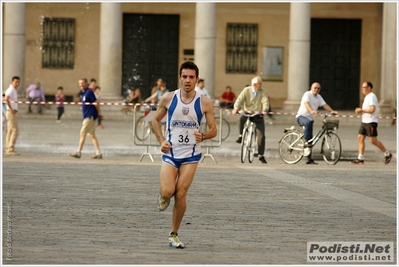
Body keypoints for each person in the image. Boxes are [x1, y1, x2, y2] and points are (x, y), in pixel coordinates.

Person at [152, 61, 217, 249]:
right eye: (184, 76)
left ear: (197, 79)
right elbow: (155, 121)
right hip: (171, 153)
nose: (188, 80)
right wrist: (161, 141)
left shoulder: (204, 102)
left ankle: (173, 234)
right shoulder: (168, 98)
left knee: (181, 193)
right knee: (168, 191)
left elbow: (214, 130)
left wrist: (203, 135)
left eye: (191, 77)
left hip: (191, 155)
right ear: (180, 78)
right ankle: (163, 196)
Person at [350, 81, 393, 165]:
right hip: (364, 121)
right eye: (362, 87)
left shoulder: (372, 96)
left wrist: (361, 110)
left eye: (364, 87)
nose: (362, 89)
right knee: (360, 137)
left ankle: (387, 154)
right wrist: (361, 111)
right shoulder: (367, 97)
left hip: (371, 122)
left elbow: (372, 109)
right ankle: (360, 158)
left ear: (369, 88)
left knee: (373, 140)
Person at [296, 82, 337, 164]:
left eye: (318, 88)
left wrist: (332, 111)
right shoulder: (307, 94)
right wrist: (311, 110)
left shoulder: (319, 97)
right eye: (315, 88)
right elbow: (306, 103)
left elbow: (324, 105)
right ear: (311, 88)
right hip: (301, 117)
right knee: (308, 129)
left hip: (310, 119)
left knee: (311, 138)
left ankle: (309, 158)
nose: (316, 90)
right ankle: (306, 143)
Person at [232, 76, 269, 164]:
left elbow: (265, 101)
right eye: (260, 84)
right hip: (247, 112)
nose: (261, 85)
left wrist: (264, 110)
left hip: (258, 114)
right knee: (241, 118)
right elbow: (239, 99)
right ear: (254, 85)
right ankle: (241, 135)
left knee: (261, 135)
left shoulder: (263, 91)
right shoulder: (246, 90)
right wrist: (236, 108)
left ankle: (261, 154)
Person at [69, 78, 104, 159]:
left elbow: (96, 103)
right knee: (91, 135)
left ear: (86, 83)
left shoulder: (89, 92)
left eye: (83, 83)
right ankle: (98, 153)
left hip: (90, 115)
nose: (81, 85)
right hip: (87, 115)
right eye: (80, 83)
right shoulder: (83, 93)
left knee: (82, 133)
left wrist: (98, 114)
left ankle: (78, 152)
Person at [4, 76, 21, 156]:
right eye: (16, 82)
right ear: (12, 82)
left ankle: (8, 148)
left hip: (10, 112)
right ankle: (10, 148)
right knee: (15, 130)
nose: (17, 84)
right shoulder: (11, 89)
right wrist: (11, 109)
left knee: (10, 130)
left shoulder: (13, 90)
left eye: (18, 82)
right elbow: (6, 99)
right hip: (10, 113)